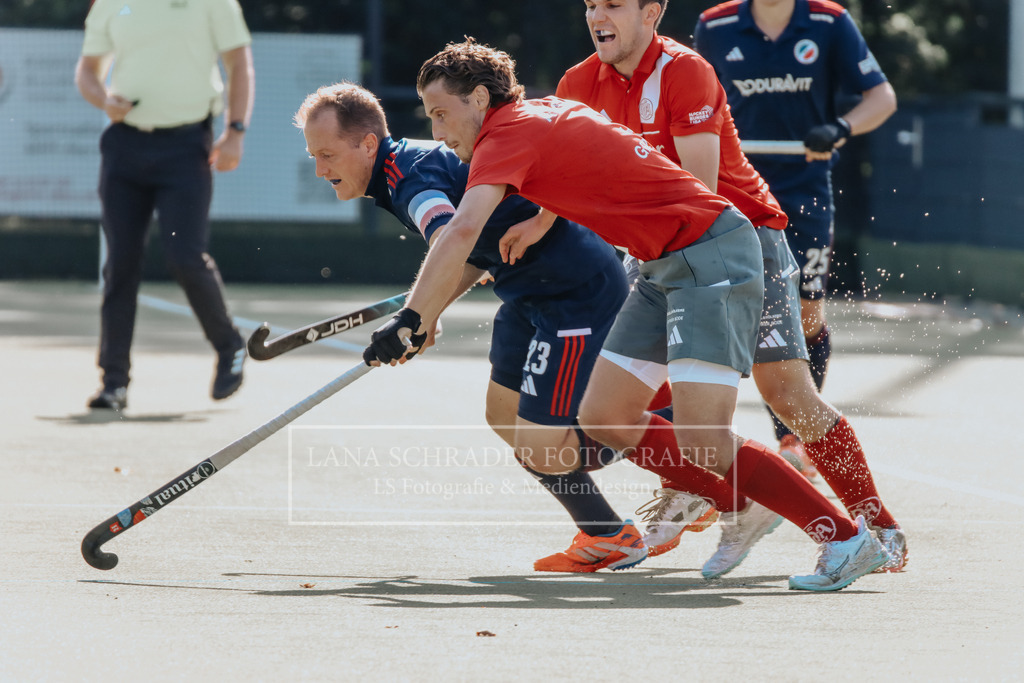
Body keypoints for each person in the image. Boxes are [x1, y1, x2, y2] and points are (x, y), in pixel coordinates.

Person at [366, 38, 889, 591]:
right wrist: (425, 309)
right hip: (660, 263)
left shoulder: (507, 133)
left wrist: (411, 318)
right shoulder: (533, 116)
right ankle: (740, 500)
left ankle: (845, 538)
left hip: (710, 253)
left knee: (703, 436)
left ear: (478, 98)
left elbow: (462, 230)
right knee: (606, 417)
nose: (439, 132)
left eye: (442, 114)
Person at [499, 0, 905, 573]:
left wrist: (624, 236)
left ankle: (876, 525)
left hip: (739, 244)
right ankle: (712, 490)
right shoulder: (577, 82)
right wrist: (540, 223)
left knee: (787, 396)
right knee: (613, 410)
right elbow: (570, 167)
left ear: (651, 12)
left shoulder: (686, 70)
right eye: (590, 5)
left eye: (613, 4)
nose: (597, 16)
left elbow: (698, 192)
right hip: (667, 251)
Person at [295, 82, 653, 573]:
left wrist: (412, 317)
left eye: (328, 154)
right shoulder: (402, 170)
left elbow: (450, 236)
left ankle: (697, 458)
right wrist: (429, 312)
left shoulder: (410, 180)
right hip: (526, 293)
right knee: (505, 416)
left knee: (543, 442)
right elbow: (473, 256)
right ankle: (608, 535)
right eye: (314, 156)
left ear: (368, 144)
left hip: (574, 295)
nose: (320, 169)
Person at [694, 0, 898, 473]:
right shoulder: (715, 25)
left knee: (805, 314)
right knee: (713, 308)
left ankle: (794, 438)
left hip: (804, 191)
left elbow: (881, 97)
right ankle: (713, 443)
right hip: (735, 190)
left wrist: (841, 127)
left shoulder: (828, 22)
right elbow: (692, 99)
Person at [74, 0, 254, 410]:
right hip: (125, 147)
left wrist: (236, 130)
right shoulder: (109, 4)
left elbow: (240, 64)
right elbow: (87, 72)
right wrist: (104, 99)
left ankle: (230, 347)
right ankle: (113, 384)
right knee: (119, 262)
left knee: (184, 255)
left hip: (187, 147)